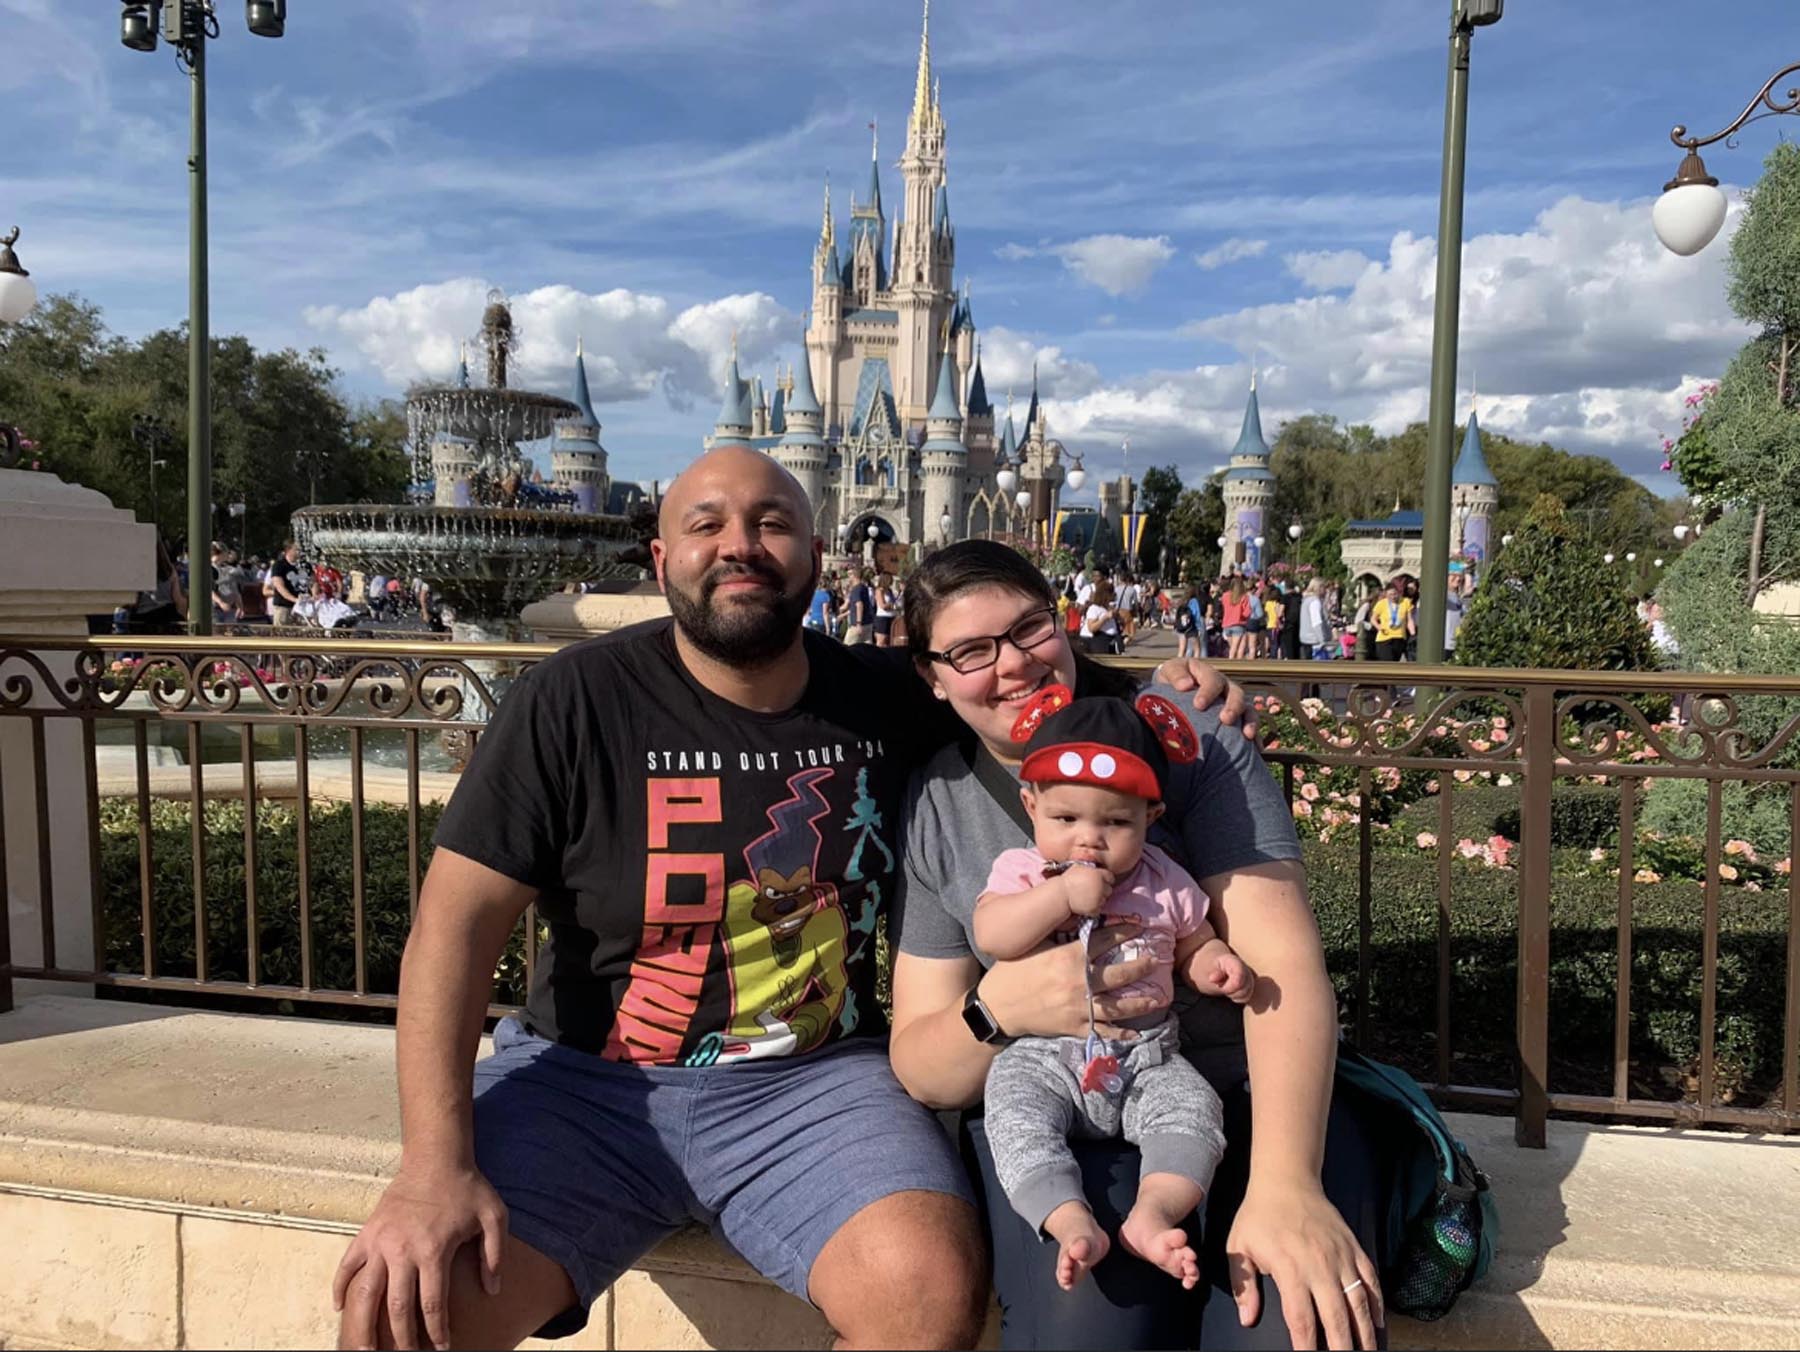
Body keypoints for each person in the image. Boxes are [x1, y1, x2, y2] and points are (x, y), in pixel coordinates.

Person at [331, 450, 1252, 1351]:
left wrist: (1164, 690)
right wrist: (433, 1168)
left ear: (817, 558)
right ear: (661, 561)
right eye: (707, 523)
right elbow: (451, 934)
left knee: (925, 1299)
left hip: (816, 1090)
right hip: (589, 1087)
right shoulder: (570, 699)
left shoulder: (879, 694)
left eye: (773, 523)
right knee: (406, 1316)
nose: (741, 544)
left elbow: (1011, 676)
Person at [889, 541, 1389, 1352]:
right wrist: (1001, 1008)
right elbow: (922, 1062)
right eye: (972, 652)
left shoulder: (1185, 735)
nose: (1014, 665)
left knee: (1292, 1329)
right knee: (1094, 1322)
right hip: (1062, 1113)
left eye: (1029, 630)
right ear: (932, 677)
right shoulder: (938, 804)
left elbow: (1280, 965)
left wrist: (1287, 1184)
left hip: (1245, 1092)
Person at [973, 689, 1254, 1293]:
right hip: (1044, 1056)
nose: (1089, 841)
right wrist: (1056, 898)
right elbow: (993, 933)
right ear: (1031, 806)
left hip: (1149, 1056)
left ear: (1149, 818)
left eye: (1116, 822)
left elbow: (1192, 940)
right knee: (1013, 1113)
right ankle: (1067, 1215)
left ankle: (1152, 1214)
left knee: (1198, 1112)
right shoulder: (1023, 872)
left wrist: (1213, 963)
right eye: (1066, 819)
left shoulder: (1162, 879)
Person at [266, 541, 306, 626]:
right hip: (284, 606)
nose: (300, 552)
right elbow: (280, 586)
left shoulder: (304, 566)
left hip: (302, 607)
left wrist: (314, 595)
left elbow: (312, 582)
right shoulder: (279, 565)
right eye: (297, 549)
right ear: (288, 550)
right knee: (282, 634)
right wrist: (294, 599)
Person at [1371, 582, 1410, 663]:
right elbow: (1373, 619)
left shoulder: (1405, 602)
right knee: (1387, 663)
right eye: (1390, 595)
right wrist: (1379, 627)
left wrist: (1413, 634)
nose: (1393, 597)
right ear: (1386, 594)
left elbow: (1409, 620)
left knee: (1395, 665)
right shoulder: (1381, 604)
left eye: (1394, 594)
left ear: (1398, 593)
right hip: (1384, 639)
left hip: (1399, 638)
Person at [1083, 580, 1122, 656]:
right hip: (1101, 642)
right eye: (1110, 593)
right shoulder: (1094, 608)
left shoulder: (1108, 607)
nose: (1113, 595)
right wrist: (1105, 618)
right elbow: (1091, 628)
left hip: (1113, 641)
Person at [1299, 579, 1335, 661]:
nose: (1326, 591)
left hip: (1305, 639)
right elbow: (1316, 623)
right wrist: (1322, 641)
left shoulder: (1306, 600)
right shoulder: (1315, 602)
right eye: (1324, 588)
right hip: (1314, 642)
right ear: (1319, 588)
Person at [1220, 577, 1253, 660]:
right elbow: (1246, 613)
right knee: (1234, 648)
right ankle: (1231, 666)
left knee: (1232, 647)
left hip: (1226, 624)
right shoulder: (1244, 597)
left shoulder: (1225, 595)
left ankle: (1233, 663)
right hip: (1238, 624)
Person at [844, 566, 875, 645]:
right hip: (867, 623)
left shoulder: (856, 589)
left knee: (848, 647)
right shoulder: (863, 587)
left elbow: (859, 605)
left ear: (854, 576)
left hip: (857, 625)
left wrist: (858, 623)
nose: (848, 577)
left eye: (850, 574)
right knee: (866, 649)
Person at [1277, 581, 1302, 662]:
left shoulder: (1285, 597)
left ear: (1285, 587)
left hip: (1289, 624)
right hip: (1299, 624)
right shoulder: (1300, 596)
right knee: (1297, 647)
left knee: (1289, 648)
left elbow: (1280, 613)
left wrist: (1279, 619)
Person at [874, 572, 900, 647]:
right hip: (882, 618)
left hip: (891, 617)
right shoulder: (879, 591)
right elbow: (882, 605)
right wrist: (892, 605)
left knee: (889, 640)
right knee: (881, 641)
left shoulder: (889, 591)